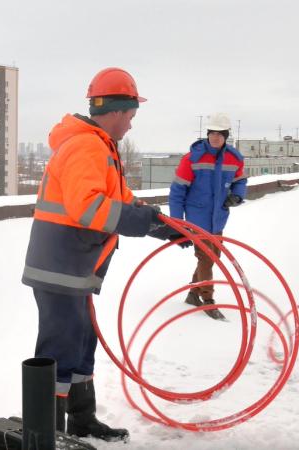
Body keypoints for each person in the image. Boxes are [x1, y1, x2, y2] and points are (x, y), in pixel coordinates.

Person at [21, 67, 181, 441]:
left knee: (81, 341)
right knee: (59, 348)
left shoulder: (98, 145)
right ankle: (47, 433)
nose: (131, 125)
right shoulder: (86, 145)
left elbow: (119, 200)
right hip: (60, 267)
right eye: (131, 116)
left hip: (74, 267)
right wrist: (142, 220)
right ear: (117, 111)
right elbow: (89, 209)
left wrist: (162, 225)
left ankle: (81, 419)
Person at [168, 113, 247, 320]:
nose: (215, 137)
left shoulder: (234, 158)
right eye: (212, 133)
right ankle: (208, 300)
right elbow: (177, 192)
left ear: (226, 136)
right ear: (207, 134)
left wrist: (237, 196)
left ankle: (194, 293)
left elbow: (240, 181)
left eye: (219, 134)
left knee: (213, 257)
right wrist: (178, 224)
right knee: (207, 257)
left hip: (218, 218)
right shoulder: (192, 158)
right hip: (196, 218)